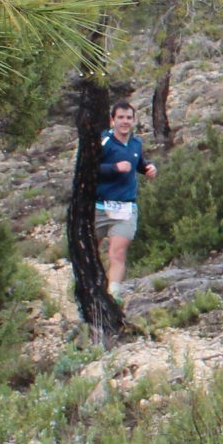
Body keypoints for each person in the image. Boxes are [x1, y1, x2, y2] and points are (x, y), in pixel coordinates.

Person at [96, 100, 157, 299]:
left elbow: (138, 163)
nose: (125, 121)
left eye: (128, 118)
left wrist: (149, 168)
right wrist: (114, 168)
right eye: (120, 117)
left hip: (125, 208)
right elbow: (88, 168)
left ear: (133, 120)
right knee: (89, 252)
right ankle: (89, 290)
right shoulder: (103, 142)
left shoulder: (136, 143)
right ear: (112, 120)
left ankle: (113, 296)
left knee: (117, 253)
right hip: (99, 207)